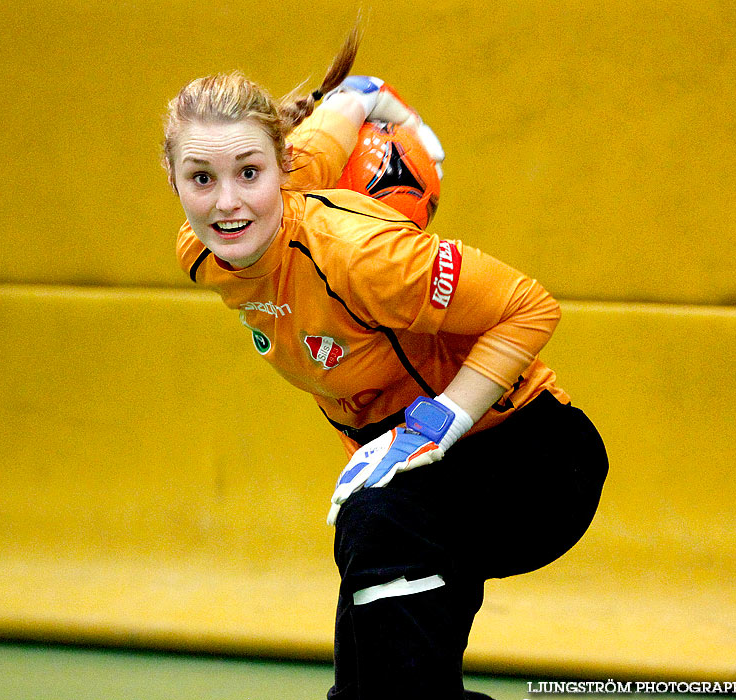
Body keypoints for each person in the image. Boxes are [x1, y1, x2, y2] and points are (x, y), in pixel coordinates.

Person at [161, 25, 608, 700]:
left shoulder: (361, 254)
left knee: (377, 524)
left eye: (248, 173)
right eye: (201, 178)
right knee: (382, 662)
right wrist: (367, 96)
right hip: (421, 480)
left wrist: (431, 424)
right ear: (172, 180)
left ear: (278, 172)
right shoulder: (204, 250)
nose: (226, 202)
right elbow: (337, 115)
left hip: (528, 460)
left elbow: (529, 307)